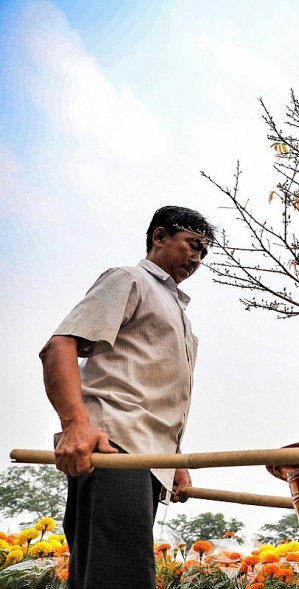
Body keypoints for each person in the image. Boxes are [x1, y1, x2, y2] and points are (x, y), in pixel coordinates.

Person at [39, 206, 216, 589]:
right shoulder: (131, 279)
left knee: (111, 573)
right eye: (192, 245)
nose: (197, 258)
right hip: (116, 448)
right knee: (120, 576)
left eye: (204, 252)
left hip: (147, 458)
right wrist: (76, 425)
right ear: (159, 236)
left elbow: (154, 392)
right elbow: (60, 346)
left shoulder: (182, 319)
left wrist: (173, 460)